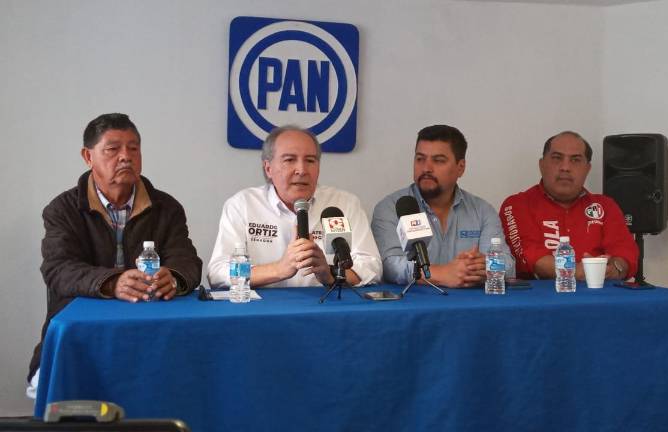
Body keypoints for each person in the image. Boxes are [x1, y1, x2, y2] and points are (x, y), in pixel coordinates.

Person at [27, 113, 203, 398]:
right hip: (84, 333)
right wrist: (112, 282)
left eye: (133, 148)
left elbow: (187, 261)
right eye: (113, 149)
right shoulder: (63, 210)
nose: (126, 157)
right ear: (88, 156)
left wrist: (175, 277)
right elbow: (58, 270)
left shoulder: (166, 207)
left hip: (153, 330)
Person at [207, 125, 381, 288]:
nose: (301, 170)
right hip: (262, 312)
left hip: (328, 309)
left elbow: (371, 268)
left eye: (310, 161)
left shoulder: (345, 204)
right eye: (289, 160)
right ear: (268, 168)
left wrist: (329, 273)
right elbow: (218, 272)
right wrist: (278, 269)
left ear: (318, 168)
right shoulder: (243, 205)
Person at [371, 125, 505, 288]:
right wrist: (442, 273)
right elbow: (389, 265)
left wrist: (481, 267)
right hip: (412, 305)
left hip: (470, 305)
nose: (426, 168)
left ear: (460, 168)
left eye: (438, 160)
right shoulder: (391, 207)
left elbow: (507, 264)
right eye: (420, 159)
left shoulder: (483, 211)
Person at [500, 131, 639, 280]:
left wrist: (615, 269)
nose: (565, 167)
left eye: (575, 160)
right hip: (539, 299)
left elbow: (626, 254)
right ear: (541, 165)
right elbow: (530, 256)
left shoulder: (606, 206)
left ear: (587, 169)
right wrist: (577, 272)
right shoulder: (517, 204)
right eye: (557, 158)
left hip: (600, 297)